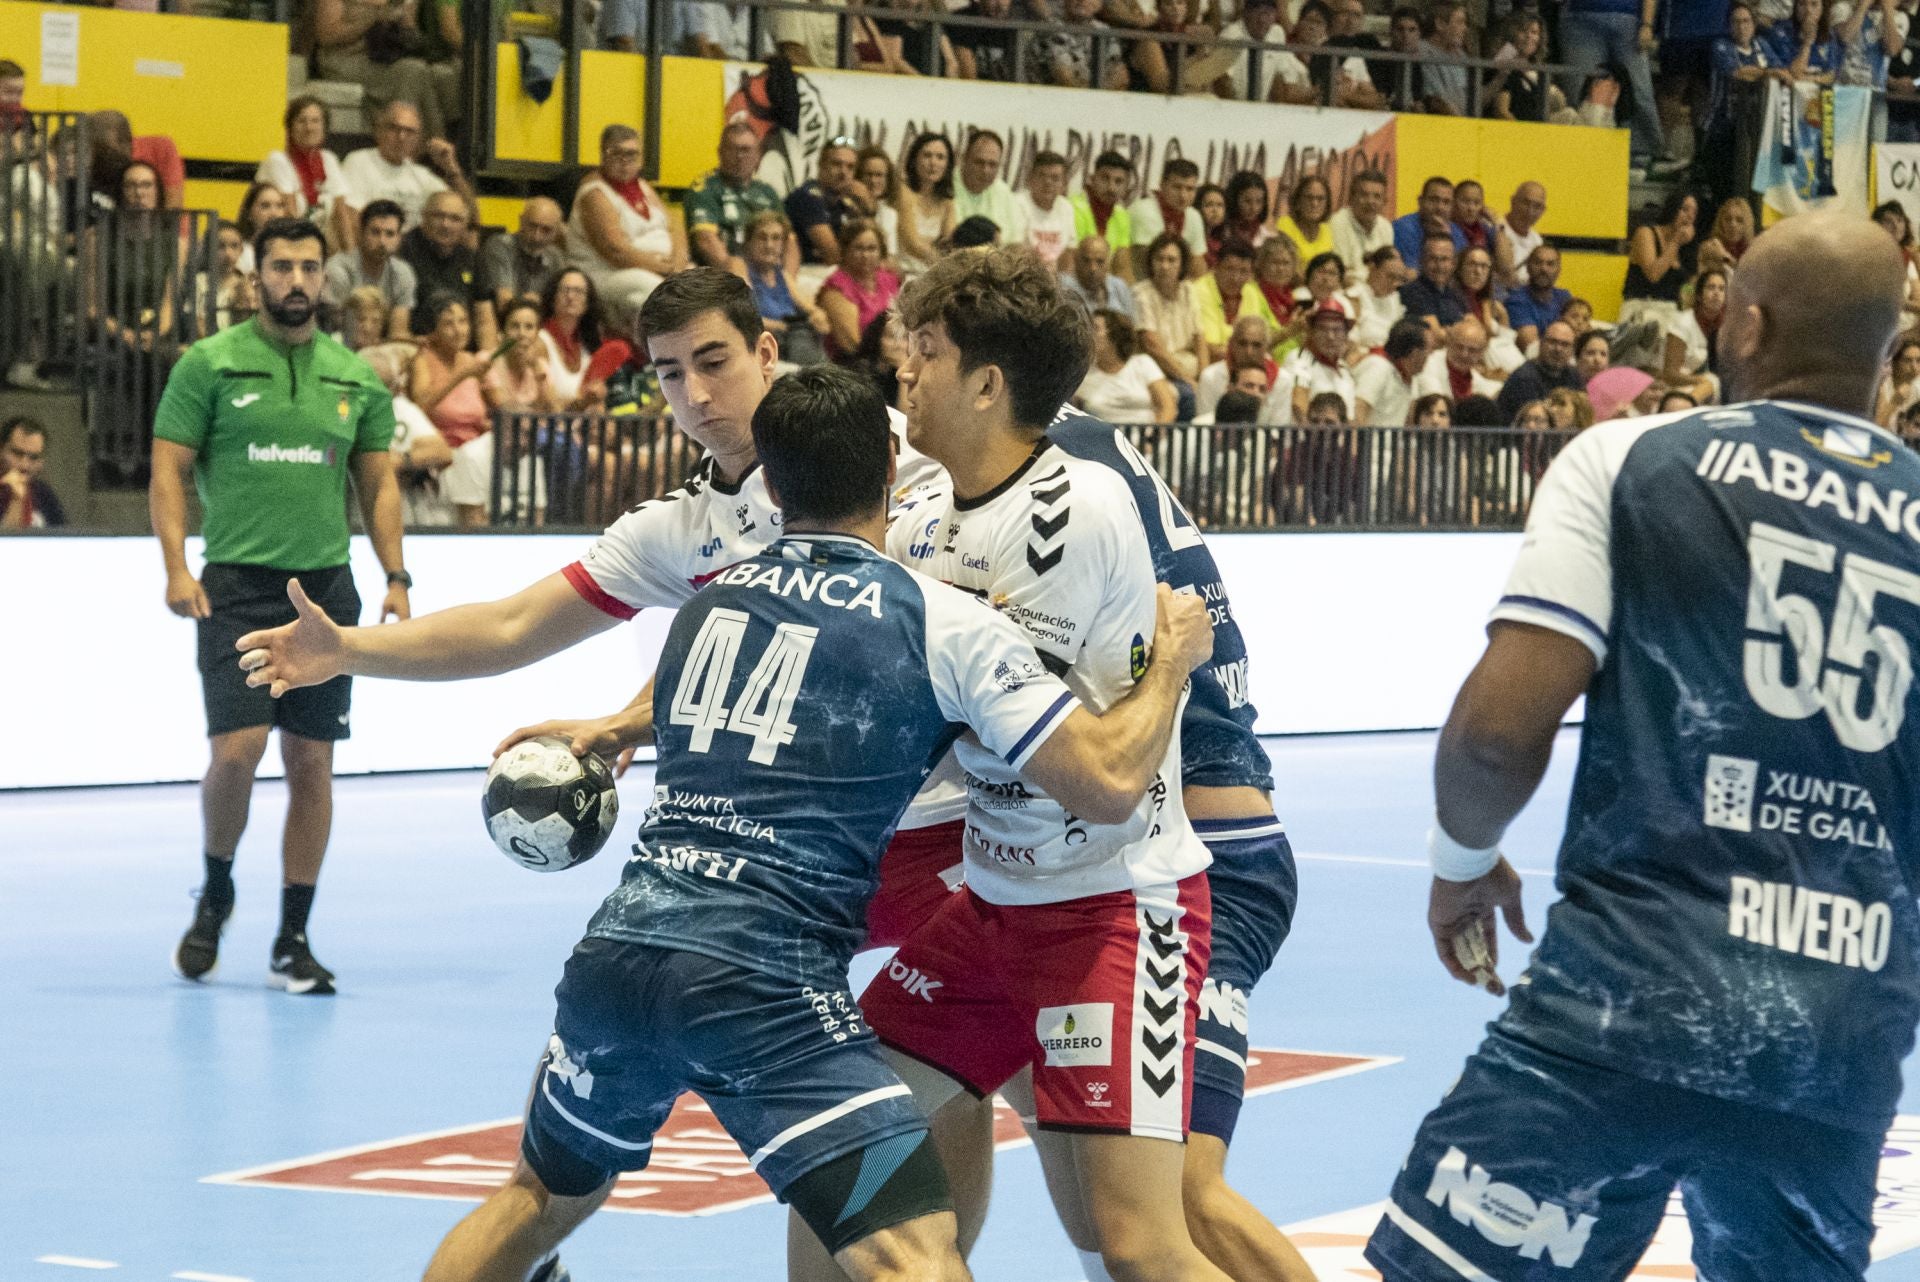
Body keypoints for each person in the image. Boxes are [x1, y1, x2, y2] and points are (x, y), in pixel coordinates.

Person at [240, 344, 1215, 1282]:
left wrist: (604, 723)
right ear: (893, 467)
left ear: (773, 487)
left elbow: (628, 680)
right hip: (765, 982)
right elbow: (1103, 783)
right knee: (915, 1253)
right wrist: (1170, 660)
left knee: (532, 1200)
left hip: (618, 959)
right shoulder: (939, 619)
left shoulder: (705, 609)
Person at [1367, 205, 1918, 1282]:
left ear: (1746, 324)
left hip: (1622, 1004)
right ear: (1887, 347)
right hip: (1836, 1042)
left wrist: (1463, 863)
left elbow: (1495, 738)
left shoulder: (1633, 459)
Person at [810, 246, 1234, 1282]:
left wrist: (1173, 668)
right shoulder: (922, 514)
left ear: (987, 383)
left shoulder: (1070, 511)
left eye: (926, 349)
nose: (903, 368)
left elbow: (1045, 751)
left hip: (1112, 906)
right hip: (993, 904)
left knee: (1137, 1242)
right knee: (847, 1144)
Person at [149, 215, 407, 997]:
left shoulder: (354, 377)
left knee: (312, 762)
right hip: (235, 588)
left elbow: (379, 483)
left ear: (325, 277)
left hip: (324, 595)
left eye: (309, 266)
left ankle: (293, 938)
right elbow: (168, 471)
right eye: (282, 265)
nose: (297, 279)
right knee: (238, 751)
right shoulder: (207, 365)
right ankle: (216, 887)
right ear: (256, 275)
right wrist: (175, 568)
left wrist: (396, 575)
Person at [566, 125, 683, 321]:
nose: (625, 161)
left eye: (631, 154)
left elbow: (674, 228)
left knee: (703, 286)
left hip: (657, 268)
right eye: (617, 153)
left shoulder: (643, 186)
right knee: (657, 292)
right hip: (606, 272)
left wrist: (678, 265)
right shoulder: (594, 192)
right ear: (603, 155)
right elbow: (615, 251)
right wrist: (665, 269)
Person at [311, 0, 460, 142]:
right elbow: (327, 35)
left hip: (385, 57)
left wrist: (405, 20)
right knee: (412, 71)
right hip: (344, 59)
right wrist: (373, 18)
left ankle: (446, 142)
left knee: (438, 74)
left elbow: (410, 34)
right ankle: (431, 142)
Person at [1558, 0, 1671, 175]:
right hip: (1579, 18)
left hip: (1628, 19)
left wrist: (1647, 24)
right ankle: (1582, 155)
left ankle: (1642, 155)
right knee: (1581, 91)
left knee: (1639, 90)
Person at [336, 101, 472, 242]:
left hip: (416, 251)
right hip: (376, 247)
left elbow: (469, 216)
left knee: (469, 236)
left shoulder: (421, 176)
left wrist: (451, 168)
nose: (401, 137)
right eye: (394, 129)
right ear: (379, 131)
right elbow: (350, 219)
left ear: (418, 139)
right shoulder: (359, 161)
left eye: (409, 132)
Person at [685, 122, 788, 272]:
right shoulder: (704, 188)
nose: (739, 156)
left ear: (758, 154)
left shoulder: (767, 192)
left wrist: (786, 279)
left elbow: (789, 241)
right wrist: (737, 277)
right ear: (720, 152)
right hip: (722, 273)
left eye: (746, 150)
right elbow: (706, 240)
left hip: (767, 273)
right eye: (732, 149)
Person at [401, 190, 495, 350]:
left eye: (455, 219)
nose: (446, 224)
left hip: (462, 351)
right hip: (417, 348)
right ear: (423, 216)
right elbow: (397, 326)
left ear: (465, 224)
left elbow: (484, 320)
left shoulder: (472, 258)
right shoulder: (403, 253)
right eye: (439, 216)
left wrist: (488, 356)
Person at [323, 199, 416, 341]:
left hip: (379, 345)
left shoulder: (402, 272)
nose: (382, 241)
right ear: (361, 233)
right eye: (375, 232)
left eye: (390, 234)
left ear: (399, 239)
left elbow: (398, 332)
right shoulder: (338, 269)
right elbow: (337, 330)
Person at [255, 96, 345, 227]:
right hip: (285, 234)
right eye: (301, 121)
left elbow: (342, 214)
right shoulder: (277, 160)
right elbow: (290, 215)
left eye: (315, 121)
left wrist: (350, 242)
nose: (309, 128)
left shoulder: (329, 159)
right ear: (290, 128)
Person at [1133, 231, 1209, 386]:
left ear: (1182, 264)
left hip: (1189, 366)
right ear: (1151, 262)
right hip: (1159, 371)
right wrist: (1190, 382)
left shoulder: (1188, 290)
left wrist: (1205, 378)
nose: (1164, 266)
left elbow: (1199, 339)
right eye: (1159, 259)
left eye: (1171, 260)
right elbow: (1152, 346)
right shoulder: (1141, 294)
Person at [818, 220, 901, 362]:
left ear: (881, 252)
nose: (865, 255)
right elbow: (853, 347)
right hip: (856, 363)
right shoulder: (836, 288)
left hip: (895, 355)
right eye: (859, 248)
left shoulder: (890, 279)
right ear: (845, 251)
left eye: (872, 249)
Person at [1076, 308, 1176, 422]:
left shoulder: (1142, 363)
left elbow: (1167, 406)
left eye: (1095, 328)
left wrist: (1155, 432)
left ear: (1115, 335)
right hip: (1101, 432)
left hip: (1147, 431)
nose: (1089, 335)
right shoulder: (1083, 373)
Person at [787, 139, 869, 270]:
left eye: (850, 167)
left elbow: (868, 245)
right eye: (837, 164)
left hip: (831, 271)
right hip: (806, 271)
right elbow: (832, 255)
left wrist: (867, 205)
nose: (843, 172)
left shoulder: (846, 203)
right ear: (822, 165)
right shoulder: (807, 197)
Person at [538, 269, 610, 413]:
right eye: (565, 290)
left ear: (587, 303)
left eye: (578, 291)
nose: (570, 296)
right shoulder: (540, 341)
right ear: (552, 298)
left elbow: (598, 407)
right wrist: (583, 402)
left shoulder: (589, 346)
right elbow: (547, 406)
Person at [481, 197, 566, 318]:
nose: (537, 236)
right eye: (532, 226)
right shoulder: (500, 246)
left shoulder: (556, 257)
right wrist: (540, 302)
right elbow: (504, 304)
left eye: (546, 230)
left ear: (556, 233)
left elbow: (562, 306)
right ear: (521, 221)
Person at [1195, 241, 1279, 357]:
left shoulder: (1250, 292)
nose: (1235, 278)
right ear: (1216, 266)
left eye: (1243, 271)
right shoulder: (1199, 290)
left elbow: (1258, 339)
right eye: (1230, 269)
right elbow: (1211, 348)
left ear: (1251, 274)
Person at [1128, 158, 1207, 280]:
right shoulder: (1143, 210)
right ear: (1162, 185)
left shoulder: (1194, 216)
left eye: (1190, 189)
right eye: (1177, 187)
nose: (1183, 195)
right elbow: (1146, 263)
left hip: (1173, 286)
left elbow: (1198, 267)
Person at [1660, 267, 1727, 403]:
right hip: (1679, 387)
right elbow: (1669, 375)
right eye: (1711, 288)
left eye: (1721, 289)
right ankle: (1684, 406)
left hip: (1713, 389)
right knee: (1713, 381)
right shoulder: (1683, 322)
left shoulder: (1728, 325)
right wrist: (1701, 381)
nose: (1716, 293)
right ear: (1699, 295)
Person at [951, 131, 1026, 249]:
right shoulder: (945, 186)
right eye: (979, 162)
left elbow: (1016, 243)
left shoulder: (1003, 191)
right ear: (964, 158)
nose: (986, 170)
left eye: (992, 164)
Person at [1285, 302, 1360, 421]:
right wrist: (1312, 432)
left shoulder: (1345, 370)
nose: (1330, 336)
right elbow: (1298, 406)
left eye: (1337, 330)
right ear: (1312, 333)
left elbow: (1350, 419)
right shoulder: (1301, 359)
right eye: (1323, 329)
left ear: (1346, 335)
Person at [1196, 314, 1282, 418]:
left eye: (1256, 345)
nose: (1249, 352)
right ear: (1232, 344)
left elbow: (1280, 426)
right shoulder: (1210, 377)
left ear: (1266, 347)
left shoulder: (1282, 380)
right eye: (1242, 343)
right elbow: (1205, 423)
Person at [1496, 320, 1584, 419]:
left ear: (1573, 350)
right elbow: (1534, 423)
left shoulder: (1574, 375)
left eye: (1565, 344)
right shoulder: (1524, 379)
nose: (1558, 349)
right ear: (1540, 344)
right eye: (1552, 342)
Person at [895, 132, 956, 275]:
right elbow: (912, 244)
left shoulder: (947, 201)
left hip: (933, 273)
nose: (933, 163)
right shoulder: (902, 192)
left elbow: (950, 244)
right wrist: (943, 263)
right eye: (927, 155)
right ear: (914, 159)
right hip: (903, 271)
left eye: (940, 157)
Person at [1354, 318, 1431, 426]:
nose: (1430, 355)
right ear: (1414, 352)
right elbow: (1358, 410)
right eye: (1428, 349)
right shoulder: (1378, 367)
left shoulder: (1410, 378)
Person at [1072, 151, 1138, 272]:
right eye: (1105, 178)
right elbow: (1074, 258)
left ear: (1126, 188)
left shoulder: (1122, 216)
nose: (1111, 188)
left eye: (1118, 181)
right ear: (1092, 179)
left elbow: (1122, 264)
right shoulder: (1073, 207)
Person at [1331, 169, 1395, 287]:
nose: (1370, 202)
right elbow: (1341, 274)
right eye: (1364, 195)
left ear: (1384, 202)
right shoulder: (1337, 223)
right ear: (1351, 198)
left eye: (1377, 196)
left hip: (1378, 291)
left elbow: (1388, 271)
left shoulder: (1386, 227)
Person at [1415, 316, 1503, 401]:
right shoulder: (1429, 364)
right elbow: (1435, 402)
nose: (1464, 354)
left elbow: (1490, 390)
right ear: (1449, 343)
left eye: (1472, 350)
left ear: (1481, 353)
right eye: (1459, 347)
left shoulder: (1471, 375)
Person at [0, 416, 66, 529]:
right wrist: (16, 499)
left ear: (41, 462)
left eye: (34, 458)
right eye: (17, 453)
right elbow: (9, 539)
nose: (24, 465)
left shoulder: (44, 494)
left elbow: (65, 537)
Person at [1017, 151, 1078, 269]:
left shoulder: (1066, 207)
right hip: (1024, 273)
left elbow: (1070, 252)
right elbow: (1015, 251)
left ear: (1064, 184)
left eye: (1055, 178)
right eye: (1042, 176)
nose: (1048, 182)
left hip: (1058, 276)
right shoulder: (1018, 204)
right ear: (1030, 179)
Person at [1505, 245, 1573, 351]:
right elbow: (1532, 349)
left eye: (1550, 264)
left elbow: (1582, 332)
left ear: (1558, 270)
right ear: (1528, 268)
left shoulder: (1564, 297)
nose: (1543, 269)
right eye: (1537, 263)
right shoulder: (1516, 300)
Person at [1400, 234, 1469, 331]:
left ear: (1453, 263)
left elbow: (1475, 326)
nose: (1439, 266)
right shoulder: (1412, 292)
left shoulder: (1455, 293)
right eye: (1432, 258)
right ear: (1421, 261)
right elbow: (1436, 334)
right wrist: (1464, 331)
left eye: (1444, 259)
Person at [1393, 177, 1466, 269]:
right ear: (1420, 201)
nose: (1440, 207)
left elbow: (1461, 270)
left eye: (1446, 202)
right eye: (1434, 200)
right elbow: (1412, 271)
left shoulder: (1456, 233)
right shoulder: (1402, 228)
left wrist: (1447, 237)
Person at [1349, 245, 1411, 351]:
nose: (1395, 284)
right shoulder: (1354, 297)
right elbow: (1351, 344)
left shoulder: (1395, 298)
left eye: (1399, 278)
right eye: (1390, 276)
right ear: (1372, 268)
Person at [1062, 234, 1136, 319]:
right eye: (1086, 260)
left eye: (1100, 261)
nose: (1093, 268)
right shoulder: (1063, 287)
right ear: (1076, 260)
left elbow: (1132, 323)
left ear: (1108, 263)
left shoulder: (1119, 286)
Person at [1495, 182, 1550, 289]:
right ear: (1513, 201)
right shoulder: (1492, 228)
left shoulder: (1537, 241)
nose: (1530, 211)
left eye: (1537, 206)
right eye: (1526, 203)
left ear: (1543, 211)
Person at [1420, 0, 1472, 113]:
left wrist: (1501, 75)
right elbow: (1437, 102)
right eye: (1460, 22)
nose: (1465, 28)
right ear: (1440, 24)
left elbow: (1474, 100)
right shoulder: (1422, 52)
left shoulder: (1461, 55)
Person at [1273, 174, 1336, 266]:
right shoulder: (1285, 226)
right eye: (1309, 198)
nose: (1314, 204)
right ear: (1298, 201)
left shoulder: (1326, 230)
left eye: (1320, 199)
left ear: (1327, 204)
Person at [951, 0, 1022, 80]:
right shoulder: (964, 19)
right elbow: (968, 75)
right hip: (974, 86)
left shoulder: (1019, 22)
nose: (1000, 3)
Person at [855, 145, 904, 260]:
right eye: (868, 174)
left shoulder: (890, 214)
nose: (873, 180)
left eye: (879, 175)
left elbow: (890, 256)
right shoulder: (846, 207)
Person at [1220, 170, 1272, 253]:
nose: (1254, 208)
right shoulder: (1220, 230)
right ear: (1234, 200)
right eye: (1247, 201)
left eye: (1259, 201)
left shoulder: (1266, 237)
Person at [1877, 333, 1920, 425]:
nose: (1914, 367)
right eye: (1907, 360)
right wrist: (1895, 402)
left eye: (1918, 361)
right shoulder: (1882, 384)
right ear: (1895, 363)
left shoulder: (1917, 387)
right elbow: (1876, 425)